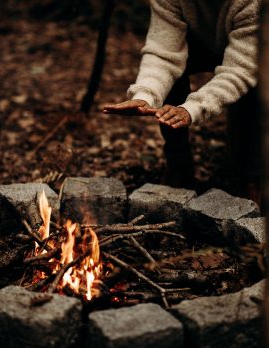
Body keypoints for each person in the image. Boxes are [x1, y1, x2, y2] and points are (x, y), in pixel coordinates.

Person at [103, 0, 261, 201]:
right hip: (201, 39)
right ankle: (178, 165)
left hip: (255, 49)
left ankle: (251, 176)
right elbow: (163, 53)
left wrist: (193, 109)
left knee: (256, 86)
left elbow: (240, 70)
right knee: (171, 78)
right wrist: (146, 94)